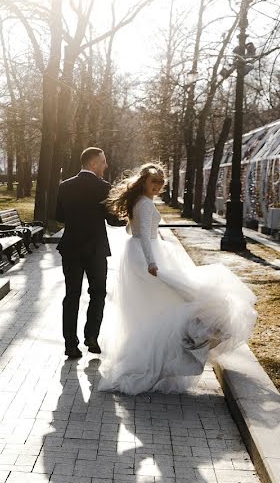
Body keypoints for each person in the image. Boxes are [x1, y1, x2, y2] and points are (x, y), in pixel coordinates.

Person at [97, 163, 257, 394]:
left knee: (159, 306)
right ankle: (166, 356)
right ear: (144, 181)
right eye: (154, 182)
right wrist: (152, 261)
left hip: (142, 254)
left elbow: (132, 233)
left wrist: (151, 243)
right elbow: (140, 236)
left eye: (161, 183)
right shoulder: (143, 203)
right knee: (171, 303)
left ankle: (167, 355)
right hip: (146, 257)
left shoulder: (140, 201)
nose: (158, 187)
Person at [55, 147, 124, 359]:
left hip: (71, 248)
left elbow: (59, 216)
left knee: (72, 295)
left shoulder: (65, 186)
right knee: (98, 293)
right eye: (103, 162)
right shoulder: (104, 187)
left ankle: (70, 343)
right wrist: (131, 218)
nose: (106, 166)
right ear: (93, 164)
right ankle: (91, 337)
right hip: (96, 249)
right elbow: (112, 220)